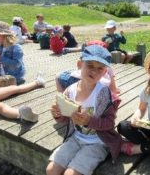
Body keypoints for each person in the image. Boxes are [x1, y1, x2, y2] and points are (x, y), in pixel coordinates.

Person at [46, 45, 122, 175]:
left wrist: (89, 121)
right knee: (51, 170)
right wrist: (58, 114)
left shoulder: (104, 95)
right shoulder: (70, 90)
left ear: (105, 72)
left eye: (100, 68)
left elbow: (109, 123)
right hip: (75, 138)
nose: (94, 71)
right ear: (80, 64)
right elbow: (65, 120)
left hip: (98, 142)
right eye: (90, 65)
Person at [0, 21, 26, 85]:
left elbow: (17, 64)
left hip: (14, 78)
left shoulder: (16, 47)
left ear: (3, 35)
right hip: (0, 75)